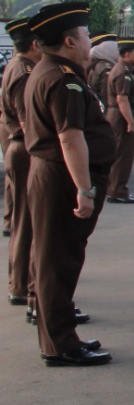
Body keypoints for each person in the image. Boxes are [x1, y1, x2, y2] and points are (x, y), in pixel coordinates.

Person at [22, 2, 117, 366]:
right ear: (69, 41)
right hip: (62, 179)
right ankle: (60, 344)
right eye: (86, 35)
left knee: (56, 258)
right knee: (58, 260)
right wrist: (84, 189)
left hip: (54, 175)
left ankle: (60, 337)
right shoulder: (62, 79)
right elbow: (69, 138)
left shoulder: (48, 71)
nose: (90, 41)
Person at [4, 17, 41, 310]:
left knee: (22, 220)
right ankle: (25, 285)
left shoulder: (17, 67)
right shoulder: (24, 71)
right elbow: (28, 120)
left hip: (19, 147)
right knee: (28, 221)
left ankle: (19, 284)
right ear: (33, 43)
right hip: (26, 149)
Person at [104, 37, 134, 204]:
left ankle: (115, 189)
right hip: (121, 116)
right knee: (123, 155)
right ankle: (118, 190)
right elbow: (122, 99)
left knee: (120, 153)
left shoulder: (123, 70)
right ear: (126, 54)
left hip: (118, 115)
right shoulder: (122, 73)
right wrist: (130, 122)